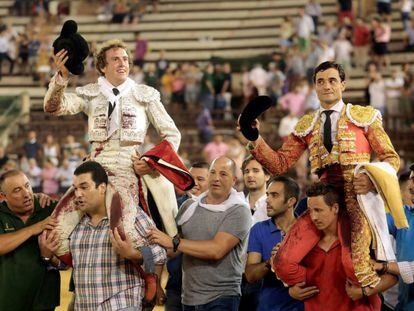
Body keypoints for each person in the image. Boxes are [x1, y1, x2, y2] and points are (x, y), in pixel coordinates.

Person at [44, 39, 180, 300]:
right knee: (57, 231)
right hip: (93, 171)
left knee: (124, 234)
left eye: (126, 58)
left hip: (128, 171)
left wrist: (151, 161)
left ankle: (149, 275)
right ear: (102, 67)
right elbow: (54, 107)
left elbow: (171, 134)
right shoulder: (90, 93)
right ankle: (87, 275)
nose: (123, 63)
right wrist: (62, 77)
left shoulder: (145, 95)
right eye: (116, 59)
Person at [245, 61, 400, 288]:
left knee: (356, 267)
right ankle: (322, 291)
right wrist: (255, 138)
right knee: (283, 260)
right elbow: (280, 164)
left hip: (358, 198)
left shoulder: (364, 116)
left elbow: (391, 158)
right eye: (320, 81)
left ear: (343, 85)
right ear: (315, 87)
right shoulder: (307, 124)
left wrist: (372, 180)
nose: (326, 86)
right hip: (322, 199)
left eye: (332, 80)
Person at [40, 161, 166, 310]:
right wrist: (47, 256)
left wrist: (135, 254)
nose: (78, 194)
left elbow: (161, 253)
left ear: (102, 188)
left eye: (84, 187)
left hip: (122, 305)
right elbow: (67, 264)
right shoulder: (73, 223)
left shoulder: (130, 215)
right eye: (75, 189)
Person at [149, 156, 252, 310]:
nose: (216, 178)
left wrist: (173, 242)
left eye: (223, 174)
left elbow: (216, 250)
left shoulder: (239, 210)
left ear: (234, 180)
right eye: (213, 172)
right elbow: (172, 251)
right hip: (188, 297)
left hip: (222, 297)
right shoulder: (189, 206)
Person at [283, 183, 397, 311]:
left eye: (319, 210)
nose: (314, 217)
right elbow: (290, 276)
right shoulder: (302, 244)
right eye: (310, 211)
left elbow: (393, 277)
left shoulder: (362, 239)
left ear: (335, 208)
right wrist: (292, 291)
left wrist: (364, 292)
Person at [0, 170, 60, 311]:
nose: (26, 193)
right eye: (17, 190)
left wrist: (48, 257)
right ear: (3, 196)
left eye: (27, 186)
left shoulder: (50, 208)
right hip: (7, 300)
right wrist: (35, 228)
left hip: (44, 300)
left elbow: (66, 259)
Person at [245, 176, 304, 311]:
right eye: (267, 195)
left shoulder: (308, 230)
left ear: (290, 201)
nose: (267, 200)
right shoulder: (258, 229)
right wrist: (270, 262)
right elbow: (250, 275)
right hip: (269, 306)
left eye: (274, 195)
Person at [166, 161, 210, 311]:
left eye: (201, 179)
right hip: (175, 286)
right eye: (191, 178)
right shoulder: (172, 207)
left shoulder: (220, 208)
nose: (195, 183)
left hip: (207, 289)